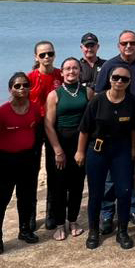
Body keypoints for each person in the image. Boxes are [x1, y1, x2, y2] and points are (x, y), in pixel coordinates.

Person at [77, 64, 135, 250]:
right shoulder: (97, 100)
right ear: (109, 79)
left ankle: (122, 231)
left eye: (124, 79)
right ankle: (94, 231)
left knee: (124, 191)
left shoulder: (132, 102)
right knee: (96, 193)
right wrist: (80, 151)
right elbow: (84, 129)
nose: (119, 81)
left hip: (121, 150)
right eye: (116, 77)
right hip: (97, 150)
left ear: (129, 82)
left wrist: (134, 148)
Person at [95, 30, 135, 227]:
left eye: (132, 43)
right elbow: (99, 94)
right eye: (124, 43)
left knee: (133, 170)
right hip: (113, 128)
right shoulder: (109, 66)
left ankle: (132, 208)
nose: (128, 46)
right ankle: (107, 212)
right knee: (111, 175)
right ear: (118, 45)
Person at [0, 72, 42, 255]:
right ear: (10, 89)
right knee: (1, 200)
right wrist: (3, 151)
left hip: (27, 160)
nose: (22, 88)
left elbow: (37, 129)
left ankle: (24, 230)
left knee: (26, 197)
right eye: (17, 86)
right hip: (5, 161)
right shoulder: (1, 113)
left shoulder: (34, 109)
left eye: (25, 85)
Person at [43, 57, 90, 241]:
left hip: (80, 143)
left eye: (75, 68)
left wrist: (82, 149)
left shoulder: (88, 92)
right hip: (59, 143)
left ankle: (73, 220)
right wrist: (57, 150)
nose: (71, 71)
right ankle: (59, 224)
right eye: (68, 69)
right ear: (61, 72)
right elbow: (48, 125)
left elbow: (90, 121)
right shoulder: (54, 95)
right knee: (59, 186)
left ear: (80, 71)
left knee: (77, 184)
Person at [28, 40, 62, 231]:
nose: (47, 57)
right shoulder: (30, 77)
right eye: (43, 55)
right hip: (34, 127)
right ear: (36, 57)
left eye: (50, 53)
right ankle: (31, 215)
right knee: (32, 171)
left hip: (54, 126)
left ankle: (51, 213)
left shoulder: (60, 75)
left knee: (54, 169)